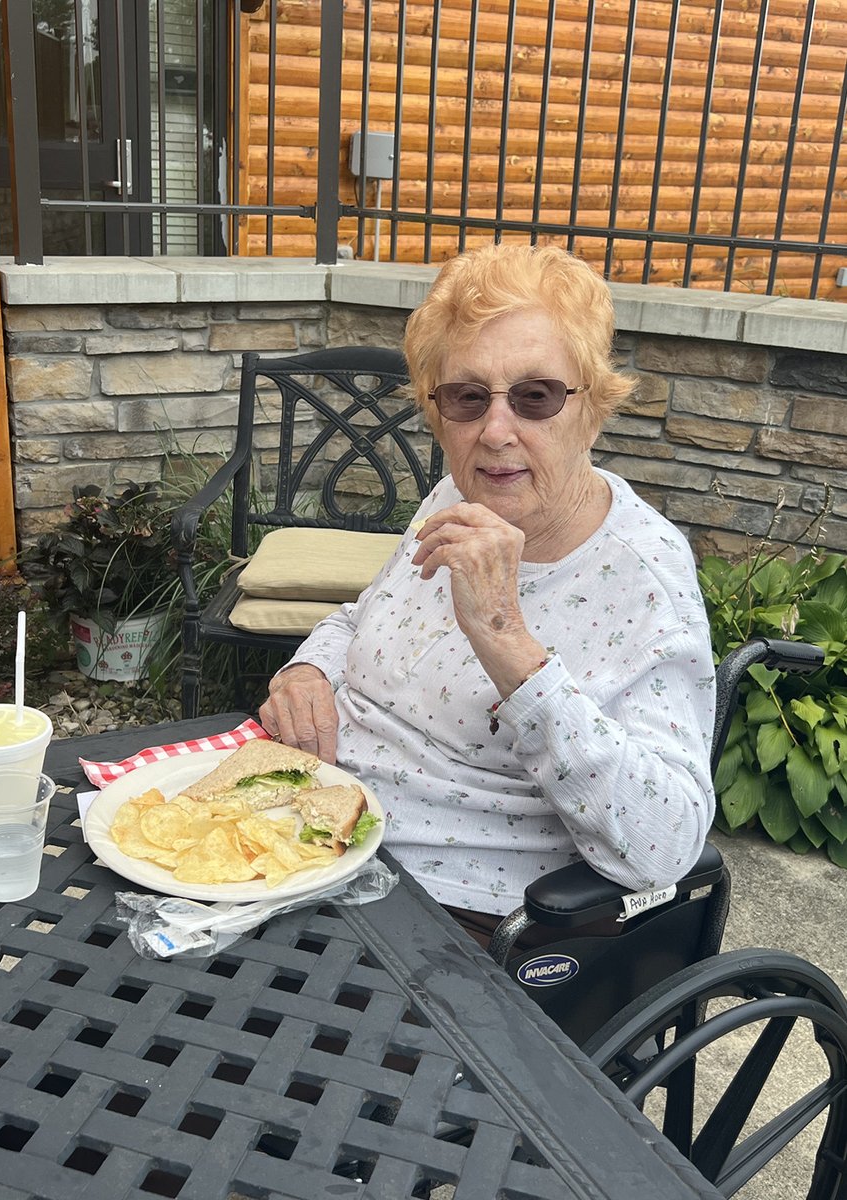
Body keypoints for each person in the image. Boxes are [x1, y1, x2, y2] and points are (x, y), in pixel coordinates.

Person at [259, 242, 716, 946]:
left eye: (535, 396)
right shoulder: (459, 492)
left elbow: (668, 844)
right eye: (468, 397)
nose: (496, 430)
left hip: (445, 920)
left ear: (591, 407)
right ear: (437, 411)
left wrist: (508, 643)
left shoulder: (640, 574)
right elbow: (366, 616)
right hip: (308, 832)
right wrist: (309, 668)